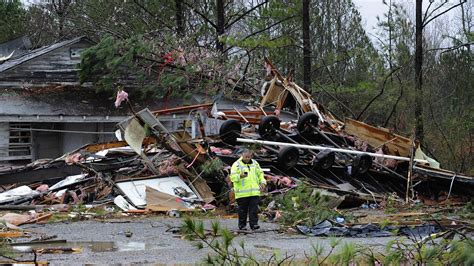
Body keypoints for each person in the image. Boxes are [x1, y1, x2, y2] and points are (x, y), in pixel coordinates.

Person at [230, 149, 266, 230]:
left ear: (251, 156)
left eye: (249, 157)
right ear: (242, 155)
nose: (247, 158)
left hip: (254, 192)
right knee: (243, 210)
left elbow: (260, 174)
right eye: (245, 157)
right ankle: (242, 225)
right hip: (242, 193)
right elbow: (232, 177)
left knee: (254, 209)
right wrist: (240, 176)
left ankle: (254, 224)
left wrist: (263, 182)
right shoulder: (236, 165)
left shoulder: (255, 163)